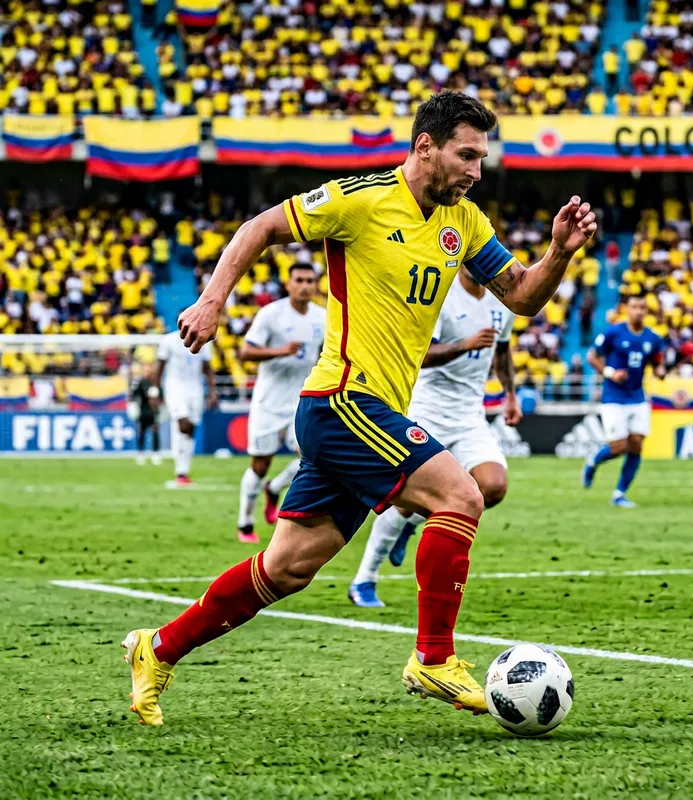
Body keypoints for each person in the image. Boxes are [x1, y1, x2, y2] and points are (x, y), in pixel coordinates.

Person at [122, 91, 596, 725]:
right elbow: (260, 227)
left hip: (365, 412)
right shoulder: (361, 199)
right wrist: (211, 301)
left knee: (286, 568)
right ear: (425, 146)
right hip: (344, 399)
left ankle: (158, 648)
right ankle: (433, 657)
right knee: (461, 495)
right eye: (466, 155)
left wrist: (560, 252)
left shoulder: (465, 223)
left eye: (481, 158)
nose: (476, 171)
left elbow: (522, 297)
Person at [349, 265, 520, 608]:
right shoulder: (440, 296)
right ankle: (364, 579)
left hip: (469, 415)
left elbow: (501, 351)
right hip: (427, 410)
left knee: (493, 486)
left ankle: (412, 525)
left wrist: (510, 395)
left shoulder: (502, 301)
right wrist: (464, 345)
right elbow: (421, 355)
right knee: (404, 499)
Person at [236, 265, 325, 543]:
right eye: (299, 280)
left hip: (303, 399)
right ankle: (245, 523)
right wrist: (280, 351)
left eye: (310, 281)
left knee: (312, 458)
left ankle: (275, 488)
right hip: (270, 401)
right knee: (260, 464)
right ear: (288, 284)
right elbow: (245, 352)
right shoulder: (271, 314)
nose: (305, 286)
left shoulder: (323, 317)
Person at [582, 294, 665, 507]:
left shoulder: (653, 338)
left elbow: (657, 362)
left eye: (642, 308)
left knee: (636, 444)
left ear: (646, 311)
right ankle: (593, 460)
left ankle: (619, 494)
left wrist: (660, 371)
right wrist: (610, 373)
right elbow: (591, 356)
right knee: (618, 447)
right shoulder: (613, 332)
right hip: (613, 397)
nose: (638, 311)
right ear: (627, 309)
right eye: (634, 307)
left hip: (638, 397)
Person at [154, 328, 217, 486]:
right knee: (183, 423)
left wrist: (212, 391)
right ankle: (180, 469)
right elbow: (160, 366)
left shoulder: (204, 340)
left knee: (190, 429)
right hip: (174, 386)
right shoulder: (169, 340)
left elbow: (207, 368)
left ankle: (183, 472)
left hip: (195, 387)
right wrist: (155, 390)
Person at [129, 363, 162, 466]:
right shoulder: (141, 383)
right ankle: (141, 453)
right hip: (143, 411)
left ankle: (156, 453)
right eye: (147, 370)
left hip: (154, 412)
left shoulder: (156, 383)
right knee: (141, 432)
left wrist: (157, 401)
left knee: (155, 432)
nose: (149, 372)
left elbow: (162, 397)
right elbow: (134, 395)